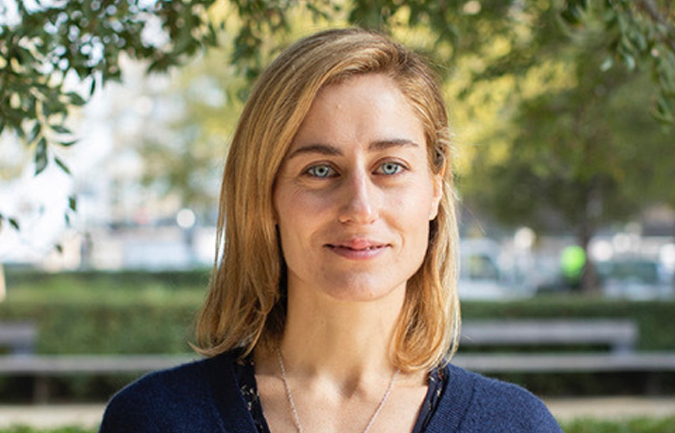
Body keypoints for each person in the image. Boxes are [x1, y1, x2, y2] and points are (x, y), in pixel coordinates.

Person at [99, 28, 562, 433]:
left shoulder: (517, 424)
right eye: (320, 170)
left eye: (390, 167)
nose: (360, 208)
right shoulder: (154, 419)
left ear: (435, 191)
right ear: (266, 195)